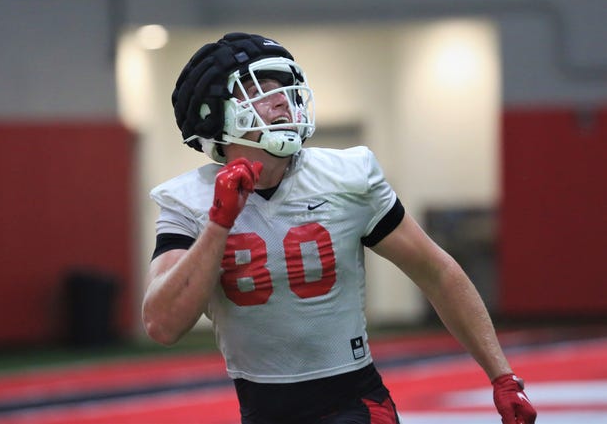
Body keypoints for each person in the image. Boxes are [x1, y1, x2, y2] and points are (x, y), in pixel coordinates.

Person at [142, 32, 537, 424]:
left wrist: (502, 376)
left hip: (352, 403)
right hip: (261, 410)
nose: (282, 98)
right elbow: (163, 325)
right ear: (216, 113)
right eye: (261, 89)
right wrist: (218, 224)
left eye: (283, 87)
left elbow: (437, 272)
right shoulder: (188, 200)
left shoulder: (347, 176)